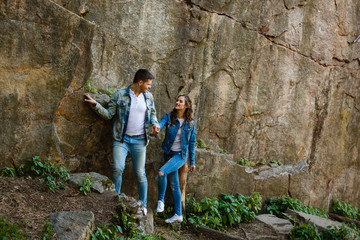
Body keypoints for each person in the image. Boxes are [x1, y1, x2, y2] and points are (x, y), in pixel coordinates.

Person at [84, 69, 160, 215]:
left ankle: (143, 205)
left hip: (140, 141)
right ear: (140, 82)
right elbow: (108, 115)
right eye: (148, 84)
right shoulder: (119, 94)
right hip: (121, 140)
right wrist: (95, 105)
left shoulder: (148, 97)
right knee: (117, 168)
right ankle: (114, 200)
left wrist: (155, 124)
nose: (150, 87)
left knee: (140, 173)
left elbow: (153, 115)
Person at [155, 95, 196, 223]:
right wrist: (157, 127)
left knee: (161, 172)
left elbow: (192, 143)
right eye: (177, 100)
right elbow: (160, 124)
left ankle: (160, 201)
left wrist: (192, 162)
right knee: (174, 184)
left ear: (186, 105)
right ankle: (178, 215)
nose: (177, 102)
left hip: (180, 155)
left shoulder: (190, 123)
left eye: (180, 101)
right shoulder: (169, 117)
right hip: (168, 153)